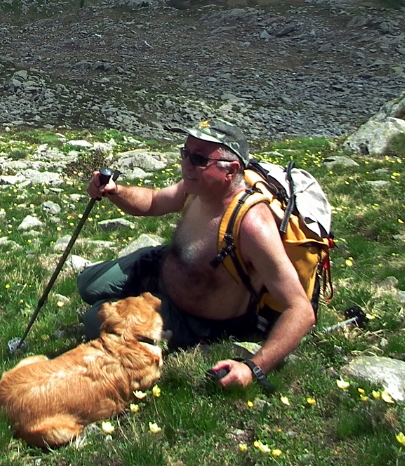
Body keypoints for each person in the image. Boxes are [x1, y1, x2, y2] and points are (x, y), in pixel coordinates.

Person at [76, 121, 314, 390]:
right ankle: (136, 307)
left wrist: (253, 367)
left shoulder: (252, 226)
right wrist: (115, 192)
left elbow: (300, 309)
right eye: (185, 153)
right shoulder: (196, 189)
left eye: (199, 159)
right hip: (160, 269)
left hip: (193, 317)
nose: (187, 164)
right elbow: (153, 201)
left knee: (93, 321)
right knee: (87, 283)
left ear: (231, 170)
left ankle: (143, 317)